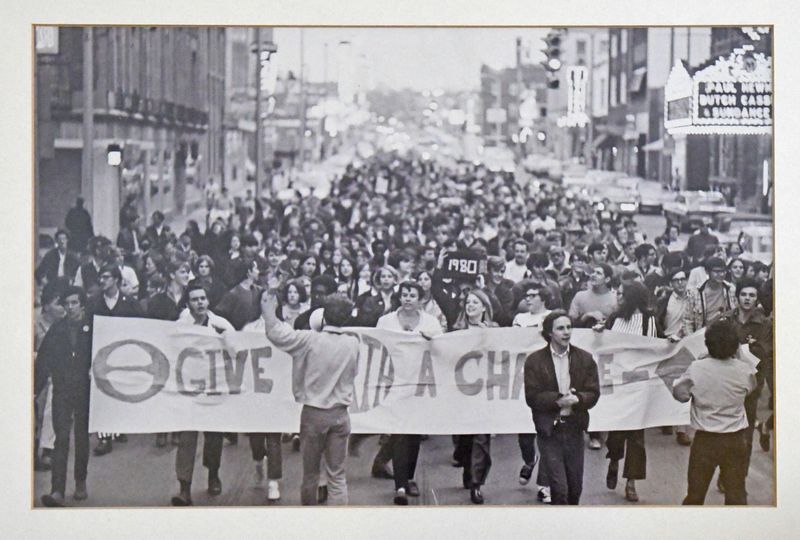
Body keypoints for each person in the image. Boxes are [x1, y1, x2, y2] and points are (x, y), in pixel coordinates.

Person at [262, 291, 360, 505]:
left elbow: (277, 333)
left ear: (323, 315)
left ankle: (309, 522)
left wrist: (268, 311)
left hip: (314, 413)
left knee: (310, 474)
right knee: (337, 476)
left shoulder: (310, 340)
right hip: (341, 414)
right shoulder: (353, 343)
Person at [673, 318, 757, 505]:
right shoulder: (744, 371)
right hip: (735, 439)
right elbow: (752, 387)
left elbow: (680, 394)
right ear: (735, 346)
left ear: (708, 344)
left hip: (706, 441)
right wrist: (740, 355)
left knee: (695, 494)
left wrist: (702, 360)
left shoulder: (696, 369)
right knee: (736, 495)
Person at [375, 281, 444, 505]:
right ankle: (400, 485)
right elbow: (378, 346)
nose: (407, 298)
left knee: (414, 433)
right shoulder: (386, 321)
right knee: (399, 433)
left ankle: (410, 477)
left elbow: (441, 347)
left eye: (412, 295)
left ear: (420, 299)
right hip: (394, 383)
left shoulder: (430, 322)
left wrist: (429, 340)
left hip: (420, 384)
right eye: (404, 294)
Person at [524, 310, 600, 504]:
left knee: (575, 488)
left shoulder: (584, 358)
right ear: (550, 332)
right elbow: (532, 397)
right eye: (560, 328)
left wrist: (579, 399)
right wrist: (558, 401)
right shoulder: (535, 361)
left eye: (569, 327)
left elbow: (594, 392)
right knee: (560, 489)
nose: (566, 332)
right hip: (550, 431)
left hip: (574, 429)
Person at [170, 283, 235, 506]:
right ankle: (184, 487)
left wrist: (224, 339)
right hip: (189, 389)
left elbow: (236, 352)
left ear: (208, 301)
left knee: (214, 436)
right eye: (195, 299)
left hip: (214, 388)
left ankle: (213, 473)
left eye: (203, 299)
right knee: (187, 438)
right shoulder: (181, 324)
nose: (200, 303)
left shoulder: (220, 324)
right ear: (188, 303)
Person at [600, 281, 660, 502]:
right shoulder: (614, 319)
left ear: (633, 297)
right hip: (616, 381)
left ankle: (631, 482)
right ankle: (614, 459)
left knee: (636, 435)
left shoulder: (648, 319)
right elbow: (603, 344)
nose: (619, 298)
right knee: (616, 430)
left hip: (638, 383)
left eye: (623, 295)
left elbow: (654, 346)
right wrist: (599, 332)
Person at [35, 287, 93, 506]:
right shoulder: (57, 329)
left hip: (85, 390)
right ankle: (57, 489)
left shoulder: (92, 329)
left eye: (74, 303)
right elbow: (43, 359)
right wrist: (35, 388)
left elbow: (102, 356)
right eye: (66, 303)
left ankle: (80, 481)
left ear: (82, 305)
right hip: (62, 390)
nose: (70, 307)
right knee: (61, 438)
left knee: (81, 437)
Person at [87, 263, 142, 456]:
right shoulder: (94, 303)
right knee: (102, 394)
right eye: (101, 277)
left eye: (106, 277)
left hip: (123, 354)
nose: (102, 280)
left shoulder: (130, 303)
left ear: (116, 280)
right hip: (100, 354)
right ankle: (104, 437)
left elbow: (140, 327)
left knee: (120, 390)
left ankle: (117, 427)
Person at [452, 289, 497, 504]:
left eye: (475, 302)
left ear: (484, 307)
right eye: (468, 302)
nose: (470, 305)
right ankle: (466, 466)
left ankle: (477, 483)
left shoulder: (494, 330)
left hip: (485, 392)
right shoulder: (455, 329)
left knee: (481, 438)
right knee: (464, 439)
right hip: (461, 392)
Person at [242, 289, 285, 503]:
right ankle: (258, 460)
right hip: (254, 391)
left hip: (276, 391)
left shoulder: (285, 329)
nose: (268, 303)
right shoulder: (250, 328)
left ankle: (273, 481)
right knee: (257, 438)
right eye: (264, 299)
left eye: (273, 300)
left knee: (274, 438)